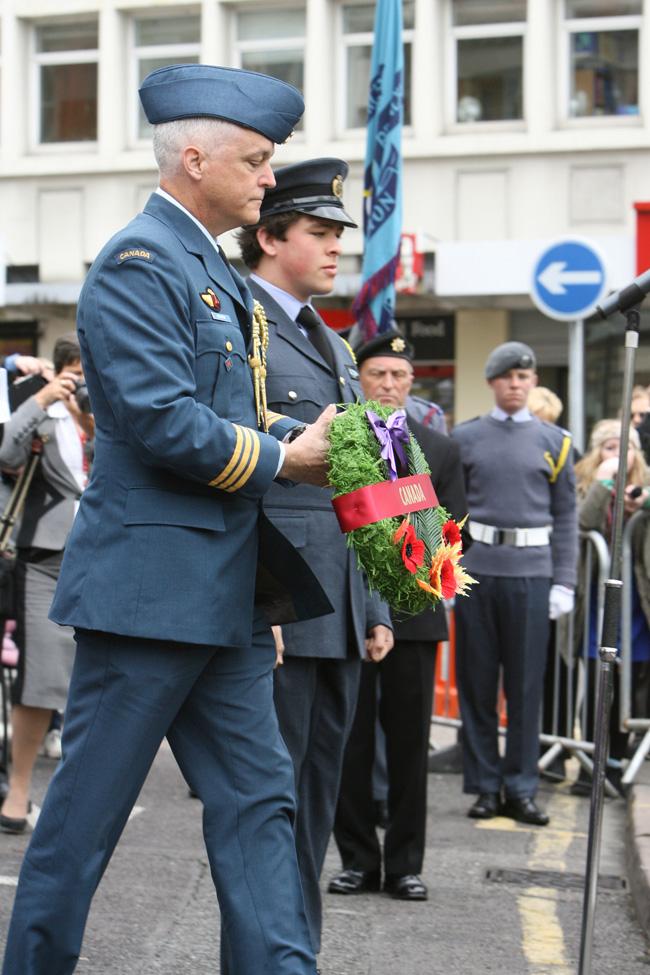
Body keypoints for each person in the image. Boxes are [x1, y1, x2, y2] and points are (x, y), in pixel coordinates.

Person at [2, 64, 336, 975]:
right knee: (82, 827)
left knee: (261, 802)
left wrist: (301, 433)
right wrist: (285, 456)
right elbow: (157, 419)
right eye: (258, 160)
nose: (271, 179)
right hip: (147, 600)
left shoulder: (208, 269)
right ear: (196, 157)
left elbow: (220, 403)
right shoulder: (140, 261)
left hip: (223, 599)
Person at [237, 157, 393, 956]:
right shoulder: (243, 329)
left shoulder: (331, 345)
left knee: (319, 796)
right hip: (282, 609)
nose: (338, 249)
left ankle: (298, 953)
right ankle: (275, 953)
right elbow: (240, 481)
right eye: (320, 233)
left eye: (340, 235)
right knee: (272, 798)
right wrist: (257, 601)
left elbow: (357, 482)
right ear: (269, 236)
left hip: (336, 614)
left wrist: (376, 604)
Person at [328, 331, 469, 900]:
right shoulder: (338, 442)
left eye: (399, 377)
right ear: (359, 379)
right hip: (347, 612)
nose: (388, 386)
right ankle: (358, 859)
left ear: (414, 384)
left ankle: (406, 864)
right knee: (350, 743)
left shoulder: (439, 447)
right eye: (377, 375)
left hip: (414, 611)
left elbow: (458, 534)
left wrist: (414, 565)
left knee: (411, 747)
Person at [452, 341, 578, 827]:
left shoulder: (556, 441)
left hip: (532, 574)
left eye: (524, 377)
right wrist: (446, 572)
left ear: (534, 382)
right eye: (507, 377)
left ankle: (522, 787)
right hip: (477, 573)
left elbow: (566, 516)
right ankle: (485, 785)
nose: (516, 384)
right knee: (477, 684)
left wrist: (564, 581)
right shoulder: (465, 438)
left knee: (526, 688)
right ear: (492, 382)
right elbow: (449, 513)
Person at [0, 334, 93, 835]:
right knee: (39, 679)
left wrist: (88, 417)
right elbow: (7, 453)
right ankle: (17, 792)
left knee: (101, 678)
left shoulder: (108, 411)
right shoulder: (39, 408)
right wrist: (44, 397)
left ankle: (80, 799)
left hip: (105, 554)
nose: (85, 385)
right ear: (62, 372)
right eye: (77, 376)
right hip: (45, 556)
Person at [571, 419, 650, 795]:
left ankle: (616, 765)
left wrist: (642, 500)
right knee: (597, 681)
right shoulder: (586, 483)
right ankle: (591, 766)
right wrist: (604, 482)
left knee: (628, 685)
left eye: (625, 447)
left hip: (636, 602)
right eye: (608, 447)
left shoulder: (645, 483)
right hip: (598, 602)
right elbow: (582, 521)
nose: (618, 455)